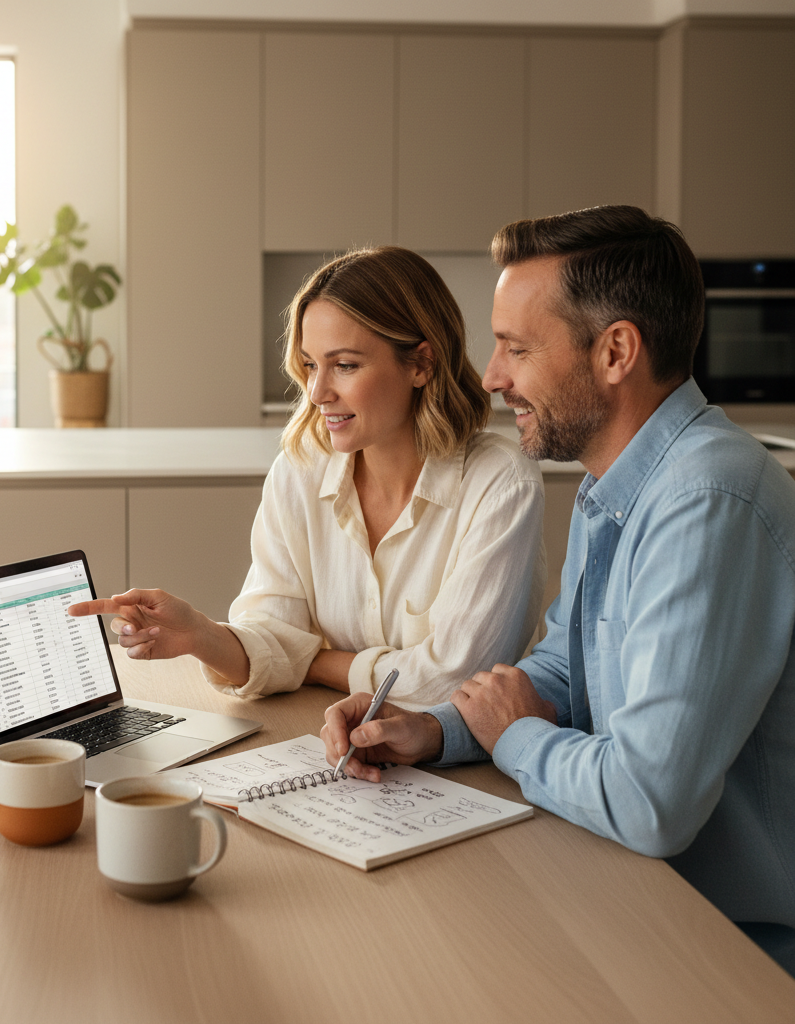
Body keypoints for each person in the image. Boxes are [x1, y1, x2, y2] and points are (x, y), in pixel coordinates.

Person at [320, 207, 795, 975]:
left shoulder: (707, 500)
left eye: (516, 347)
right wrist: (436, 731)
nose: (490, 376)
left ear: (615, 351)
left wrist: (515, 739)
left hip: (736, 949)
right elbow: (568, 676)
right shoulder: (615, 485)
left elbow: (649, 804)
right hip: (645, 896)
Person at [69, 245, 546, 710]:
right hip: (332, 741)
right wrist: (201, 634)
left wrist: (315, 663)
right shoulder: (299, 470)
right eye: (311, 365)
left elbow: (452, 684)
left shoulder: (500, 484)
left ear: (421, 363)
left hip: (461, 769)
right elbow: (273, 637)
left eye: (344, 365)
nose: (318, 392)